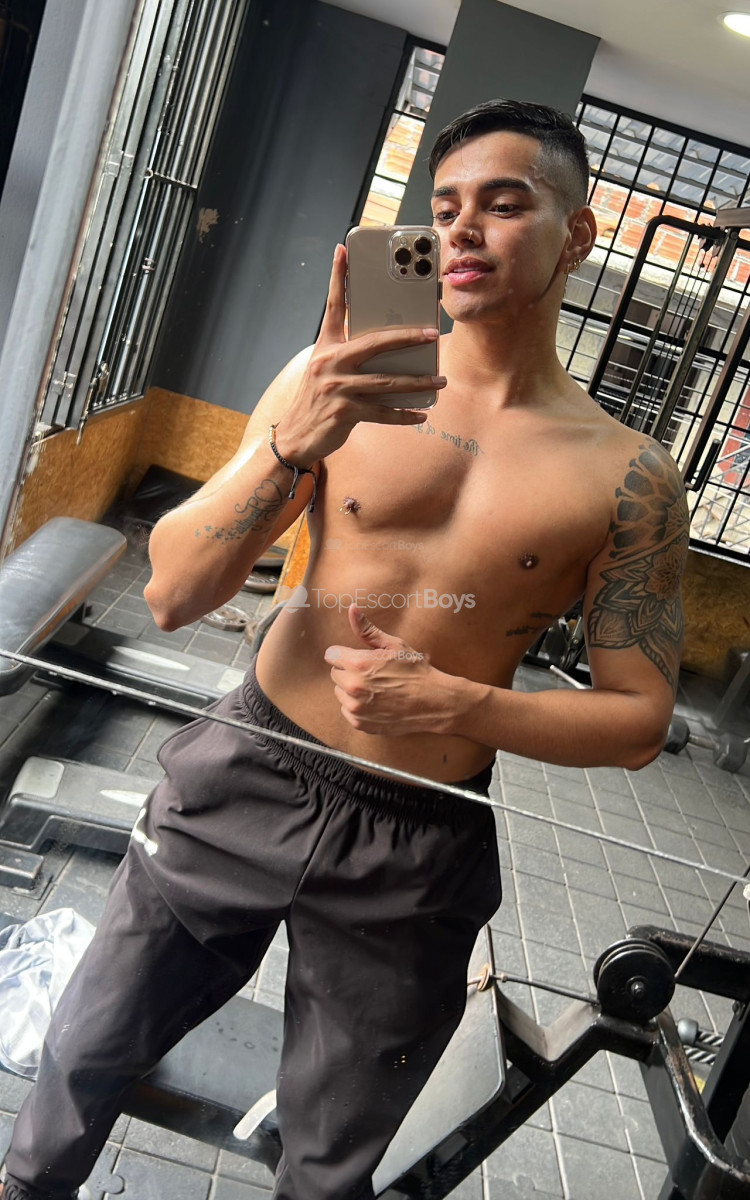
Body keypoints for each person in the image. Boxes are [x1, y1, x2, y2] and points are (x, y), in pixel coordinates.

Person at [2, 98, 688, 1200]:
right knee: (80, 1061)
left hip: (420, 837)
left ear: (578, 235)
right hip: (251, 767)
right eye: (445, 208)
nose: (462, 232)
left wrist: (457, 704)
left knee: (333, 1165)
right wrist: (294, 441)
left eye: (505, 204)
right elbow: (174, 591)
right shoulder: (335, 378)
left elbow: (639, 720)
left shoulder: (630, 475)